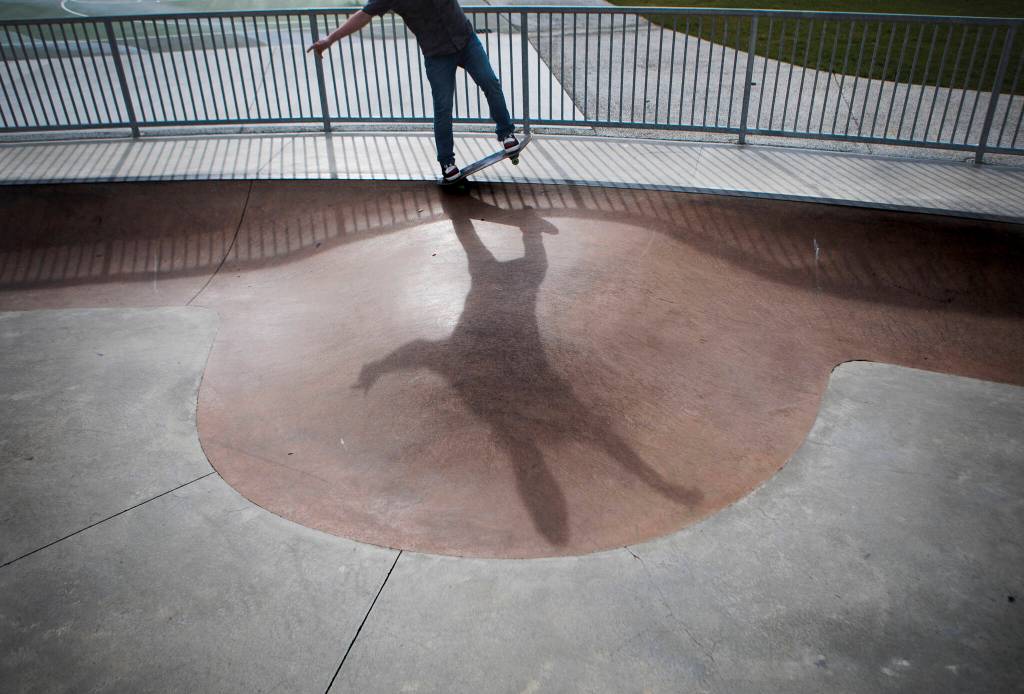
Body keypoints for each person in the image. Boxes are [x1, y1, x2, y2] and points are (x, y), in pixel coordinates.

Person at [308, 0, 520, 182]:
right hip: (437, 54)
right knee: (443, 107)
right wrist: (330, 39)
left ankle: (506, 132)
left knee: (490, 81)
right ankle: (447, 162)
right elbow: (364, 14)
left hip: (466, 41)